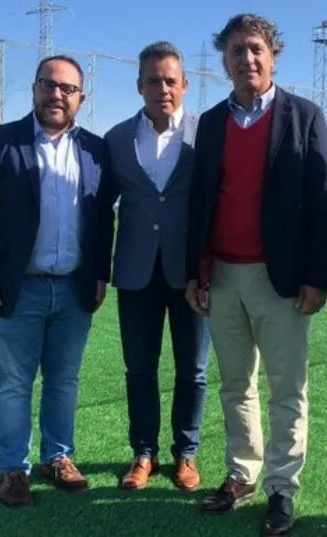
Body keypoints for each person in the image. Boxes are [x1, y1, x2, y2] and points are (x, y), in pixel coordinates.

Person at [184, 12, 327, 537]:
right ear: (223, 61)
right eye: (235, 51)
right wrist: (195, 271)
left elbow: (322, 203)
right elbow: (199, 203)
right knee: (234, 385)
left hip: (283, 281)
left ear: (272, 55)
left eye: (255, 49)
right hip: (222, 277)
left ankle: (282, 489)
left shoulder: (305, 116)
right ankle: (242, 475)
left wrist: (318, 276)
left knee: (286, 389)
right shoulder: (208, 123)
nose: (246, 59)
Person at [0, 54, 106, 508]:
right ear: (34, 89)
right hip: (15, 288)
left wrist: (100, 272)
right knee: (13, 384)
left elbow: (103, 219)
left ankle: (57, 457)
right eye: (49, 84)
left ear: (81, 98)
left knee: (64, 381)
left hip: (73, 288)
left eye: (68, 89)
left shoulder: (96, 150)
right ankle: (12, 469)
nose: (57, 94)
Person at [93, 41, 211, 492]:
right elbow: (102, 210)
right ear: (139, 86)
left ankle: (186, 453)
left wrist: (209, 269)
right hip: (135, 273)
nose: (162, 87)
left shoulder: (208, 132)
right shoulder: (117, 138)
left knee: (193, 370)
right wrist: (100, 271)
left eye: (170, 80)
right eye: (152, 80)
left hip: (192, 276)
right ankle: (143, 452)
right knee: (139, 369)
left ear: (184, 84)